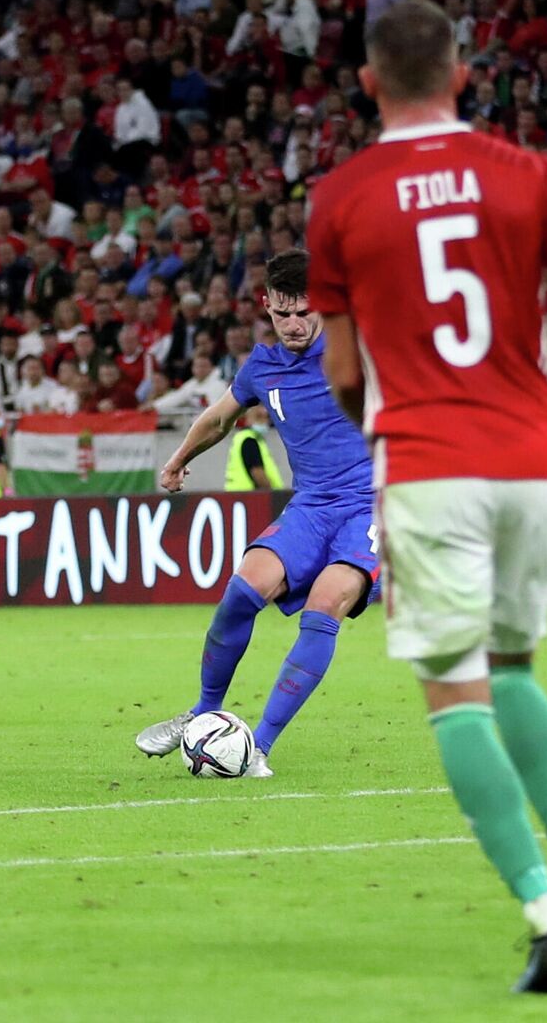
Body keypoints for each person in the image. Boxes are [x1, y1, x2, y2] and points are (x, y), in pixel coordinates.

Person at [305, 0, 547, 994]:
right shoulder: (530, 175)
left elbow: (340, 370)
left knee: (454, 697)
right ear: (462, 75)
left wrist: (380, 410)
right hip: (534, 463)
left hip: (429, 466)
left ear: (370, 84)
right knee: (514, 667)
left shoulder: (340, 196)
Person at [133, 250, 379, 782]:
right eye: (283, 312)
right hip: (311, 505)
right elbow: (221, 418)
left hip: (371, 505)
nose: (294, 324)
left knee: (325, 603)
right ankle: (202, 713)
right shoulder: (262, 366)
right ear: (266, 306)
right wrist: (178, 460)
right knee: (242, 591)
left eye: (306, 312)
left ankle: (255, 749)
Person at [225, 404, 283, 490]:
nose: (264, 412)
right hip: (249, 498)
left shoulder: (247, 439)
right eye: (259, 417)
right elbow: (258, 474)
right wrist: (274, 497)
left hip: (240, 498)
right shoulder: (249, 440)